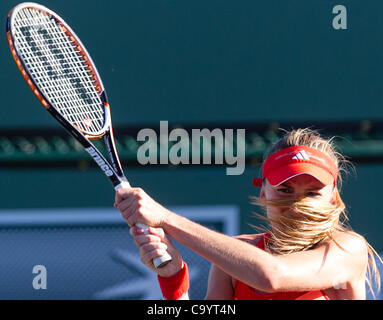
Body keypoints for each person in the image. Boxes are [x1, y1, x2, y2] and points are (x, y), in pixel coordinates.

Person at [114, 128, 381, 300]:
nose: (298, 204)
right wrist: (173, 277)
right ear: (263, 194)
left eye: (312, 193)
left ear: (333, 198)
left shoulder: (347, 250)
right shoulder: (234, 259)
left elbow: (271, 276)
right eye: (285, 189)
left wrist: (166, 218)